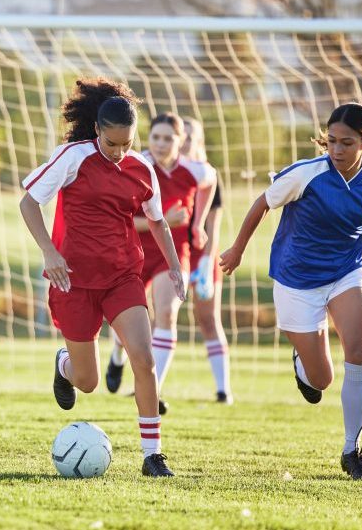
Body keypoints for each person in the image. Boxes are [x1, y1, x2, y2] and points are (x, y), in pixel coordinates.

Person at [219, 103, 362, 481]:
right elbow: (262, 203)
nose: (337, 150)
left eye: (347, 143)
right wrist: (237, 249)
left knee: (358, 349)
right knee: (321, 380)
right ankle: (304, 362)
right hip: (295, 280)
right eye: (332, 141)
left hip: (346, 275)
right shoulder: (307, 174)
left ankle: (352, 450)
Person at [19, 78, 186, 478]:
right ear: (97, 130)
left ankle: (153, 455)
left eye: (127, 143)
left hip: (121, 276)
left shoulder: (142, 168)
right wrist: (49, 250)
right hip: (72, 280)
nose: (119, 152)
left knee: (143, 359)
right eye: (112, 144)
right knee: (89, 382)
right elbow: (28, 203)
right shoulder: (72, 157)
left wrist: (176, 266)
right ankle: (64, 366)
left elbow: (159, 223)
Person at [103, 113, 215, 415]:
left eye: (169, 138)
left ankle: (155, 387)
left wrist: (197, 224)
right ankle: (117, 354)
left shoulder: (193, 170)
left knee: (165, 313)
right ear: (148, 139)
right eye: (157, 137)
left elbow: (211, 180)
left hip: (173, 254)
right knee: (128, 322)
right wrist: (164, 220)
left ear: (181, 141)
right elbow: (120, 219)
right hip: (134, 251)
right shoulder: (135, 166)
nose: (162, 143)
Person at [182, 116, 233, 404]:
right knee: (156, 317)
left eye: (190, 136)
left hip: (202, 257)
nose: (185, 141)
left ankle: (223, 389)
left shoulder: (209, 176)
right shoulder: (166, 173)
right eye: (182, 136)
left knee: (208, 319)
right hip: (173, 256)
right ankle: (151, 382)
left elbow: (213, 228)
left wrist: (205, 263)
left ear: (198, 141)